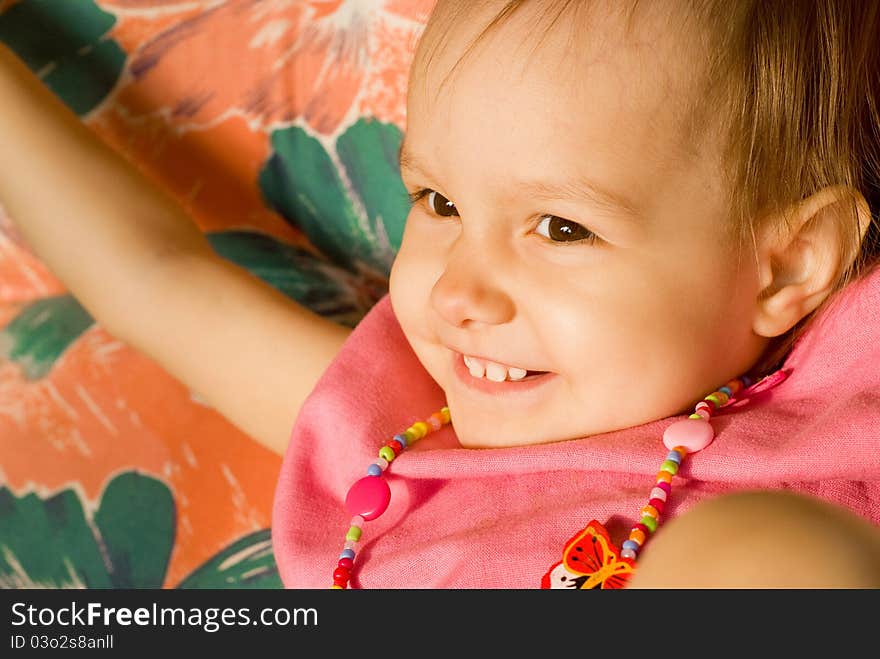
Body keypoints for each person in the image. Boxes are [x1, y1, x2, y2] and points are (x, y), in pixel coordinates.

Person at [1, 0, 879, 589]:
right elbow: (159, 280)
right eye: (440, 203)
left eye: (561, 228)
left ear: (789, 266)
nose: (459, 290)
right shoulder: (397, 440)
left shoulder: (812, 457)